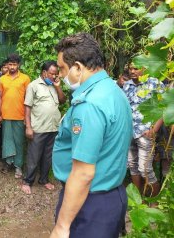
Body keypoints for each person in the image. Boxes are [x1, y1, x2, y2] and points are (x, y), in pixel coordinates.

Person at [50, 32, 132, 238]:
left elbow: (84, 173)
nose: (59, 74)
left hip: (90, 203)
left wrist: (61, 226)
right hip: (113, 195)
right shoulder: (113, 91)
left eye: (62, 68)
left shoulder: (89, 105)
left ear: (77, 67)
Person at [21, 61, 66, 195]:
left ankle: (43, 179)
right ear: (44, 72)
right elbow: (27, 107)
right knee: (34, 157)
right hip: (38, 128)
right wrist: (28, 127)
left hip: (53, 128)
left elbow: (62, 100)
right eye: (52, 73)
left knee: (48, 156)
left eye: (56, 74)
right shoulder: (33, 86)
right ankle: (27, 181)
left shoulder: (54, 85)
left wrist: (58, 86)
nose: (54, 76)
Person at [123, 62, 164, 197]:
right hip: (129, 133)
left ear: (144, 68)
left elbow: (164, 107)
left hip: (146, 133)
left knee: (145, 169)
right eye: (130, 68)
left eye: (136, 68)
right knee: (133, 167)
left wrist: (154, 129)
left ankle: (154, 201)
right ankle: (139, 200)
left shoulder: (154, 84)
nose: (132, 71)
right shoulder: (127, 85)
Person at [0, 53, 30, 179]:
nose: (12, 67)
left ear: (18, 65)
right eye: (10, 64)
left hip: (20, 115)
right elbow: (0, 98)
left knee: (19, 141)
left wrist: (27, 117)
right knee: (7, 141)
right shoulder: (2, 79)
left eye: (14, 64)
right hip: (6, 115)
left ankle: (18, 166)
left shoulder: (25, 78)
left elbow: (28, 98)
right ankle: (8, 163)